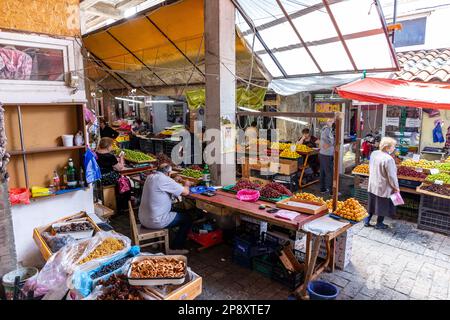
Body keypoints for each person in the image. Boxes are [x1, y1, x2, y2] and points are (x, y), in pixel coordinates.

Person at [139, 163, 192, 253]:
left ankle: (157, 241)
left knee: (179, 210)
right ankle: (176, 248)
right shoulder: (164, 180)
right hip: (155, 221)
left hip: (143, 218)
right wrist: (187, 184)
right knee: (188, 218)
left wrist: (173, 180)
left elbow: (164, 184)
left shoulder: (150, 177)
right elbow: (185, 192)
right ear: (168, 173)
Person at [364, 137, 399, 229]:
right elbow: (391, 176)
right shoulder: (389, 159)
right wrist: (396, 187)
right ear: (387, 147)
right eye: (393, 146)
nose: (394, 148)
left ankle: (367, 220)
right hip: (383, 186)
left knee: (372, 203)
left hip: (373, 183)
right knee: (382, 205)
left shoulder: (374, 154)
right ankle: (379, 223)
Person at [319, 119, 335, 194]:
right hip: (326, 155)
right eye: (330, 120)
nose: (332, 121)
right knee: (329, 173)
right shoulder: (326, 130)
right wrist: (335, 143)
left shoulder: (329, 129)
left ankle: (323, 189)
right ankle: (332, 191)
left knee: (323, 172)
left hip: (323, 154)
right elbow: (325, 145)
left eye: (332, 120)